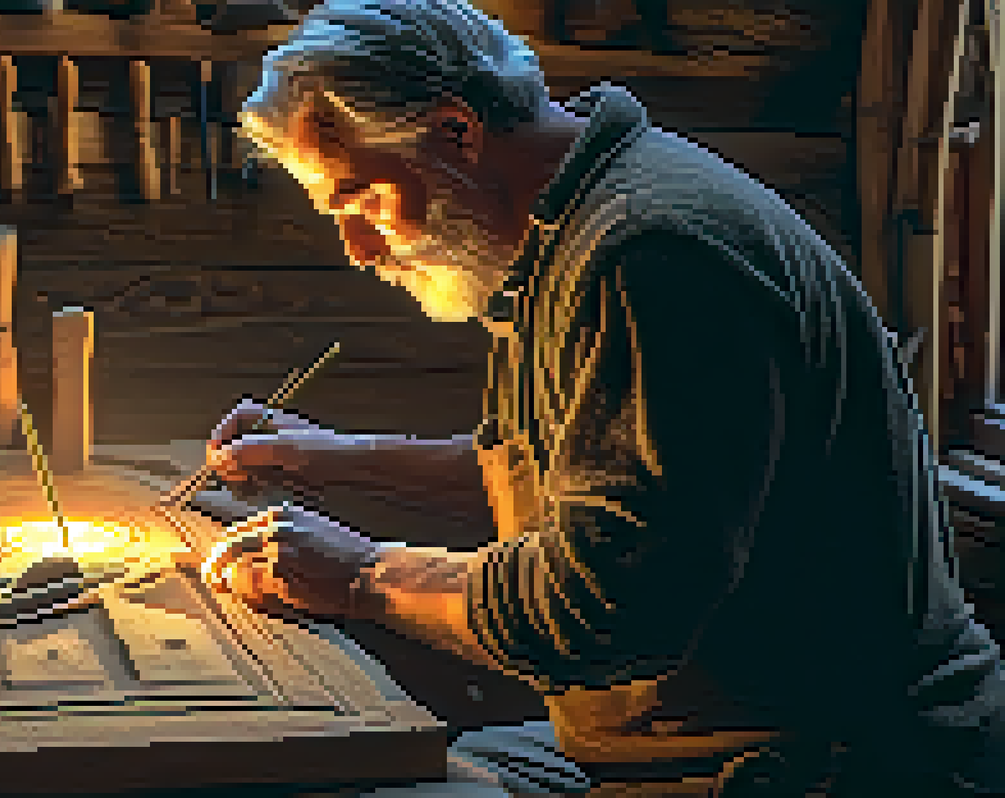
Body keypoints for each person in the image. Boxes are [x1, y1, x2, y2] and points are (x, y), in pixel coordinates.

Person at [198, 0, 1005, 795]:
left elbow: (604, 608)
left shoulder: (647, 253)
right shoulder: (567, 226)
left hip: (817, 757)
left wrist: (362, 577)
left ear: (456, 132)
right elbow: (571, 474)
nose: (358, 248)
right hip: (684, 739)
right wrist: (325, 457)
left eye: (362, 199)